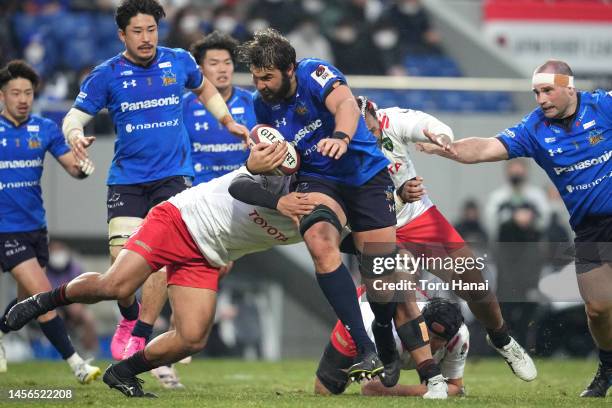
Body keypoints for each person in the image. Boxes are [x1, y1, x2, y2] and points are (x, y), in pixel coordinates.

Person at [237, 28, 447, 398]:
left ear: (289, 69)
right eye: (255, 77)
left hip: (366, 175)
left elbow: (346, 106)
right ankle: (364, 345)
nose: (260, 85)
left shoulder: (315, 72)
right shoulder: (261, 103)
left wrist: (343, 137)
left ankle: (383, 328)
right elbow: (276, 154)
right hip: (319, 180)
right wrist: (259, 163)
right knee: (319, 242)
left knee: (381, 277)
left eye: (266, 77)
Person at [5, 159, 313, 398]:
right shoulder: (284, 168)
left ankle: (123, 372)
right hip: (181, 218)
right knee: (116, 285)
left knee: (192, 338)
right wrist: (278, 201)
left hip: (209, 251)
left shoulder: (334, 216)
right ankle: (41, 301)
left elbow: (349, 240)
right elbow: (239, 185)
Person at [59, 0, 249, 365]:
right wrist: (74, 136)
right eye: (137, 32)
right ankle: (129, 318)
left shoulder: (178, 60)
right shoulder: (106, 74)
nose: (146, 38)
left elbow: (204, 88)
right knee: (121, 268)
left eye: (151, 30)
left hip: (174, 177)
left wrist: (227, 121)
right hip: (127, 181)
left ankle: (142, 334)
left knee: (160, 260)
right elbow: (73, 117)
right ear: (122, 35)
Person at [417, 59, 611, 397]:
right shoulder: (535, 129)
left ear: (570, 86)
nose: (541, 99)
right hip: (590, 230)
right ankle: (608, 368)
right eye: (536, 92)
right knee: (598, 309)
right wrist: (449, 149)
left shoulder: (603, 106)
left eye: (548, 90)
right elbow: (487, 147)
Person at [355, 95, 536, 382]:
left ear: (377, 116)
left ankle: (501, 338)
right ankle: (421, 371)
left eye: (372, 130)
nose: (369, 138)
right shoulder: (341, 148)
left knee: (473, 280)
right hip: (378, 225)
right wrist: (400, 198)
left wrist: (441, 136)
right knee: (402, 290)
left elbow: (426, 123)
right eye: (361, 135)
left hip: (418, 217)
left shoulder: (391, 120)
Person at [0, 60, 99, 383]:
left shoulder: (43, 128)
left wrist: (83, 164)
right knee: (44, 296)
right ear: (3, 96)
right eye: (15, 92)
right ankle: (77, 364)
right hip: (5, 230)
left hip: (35, 229)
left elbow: (73, 167)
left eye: (28, 92)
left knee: (28, 303)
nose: (23, 98)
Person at [315, 294, 469, 397]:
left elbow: (455, 386)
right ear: (419, 325)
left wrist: (437, 388)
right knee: (325, 389)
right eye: (429, 334)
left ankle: (427, 376)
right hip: (360, 318)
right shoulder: (391, 334)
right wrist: (427, 391)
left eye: (439, 339)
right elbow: (371, 388)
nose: (431, 342)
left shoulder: (459, 337)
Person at [185, 31, 256, 186]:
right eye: (214, 63)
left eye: (227, 62)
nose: (222, 69)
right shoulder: (183, 107)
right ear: (200, 69)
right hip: (198, 191)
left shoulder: (252, 102)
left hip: (243, 189)